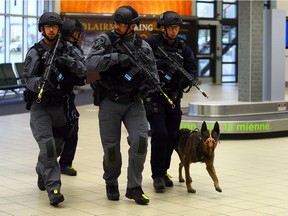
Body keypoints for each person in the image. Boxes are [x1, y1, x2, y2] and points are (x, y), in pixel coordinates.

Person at [85, 6, 159, 205]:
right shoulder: (106, 40)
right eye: (115, 23)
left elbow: (154, 75)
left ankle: (134, 187)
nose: (117, 26)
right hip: (110, 101)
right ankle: (111, 181)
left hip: (134, 103)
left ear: (132, 26)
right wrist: (115, 58)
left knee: (140, 142)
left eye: (122, 24)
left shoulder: (142, 46)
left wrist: (147, 87)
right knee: (111, 149)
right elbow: (90, 63)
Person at [23, 12, 87, 205]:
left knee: (57, 148)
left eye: (55, 27)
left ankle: (41, 170)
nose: (51, 30)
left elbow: (83, 70)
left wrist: (69, 62)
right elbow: (27, 79)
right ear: (42, 29)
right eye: (47, 27)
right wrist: (42, 83)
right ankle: (54, 188)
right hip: (40, 106)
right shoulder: (35, 52)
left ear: (59, 29)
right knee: (49, 147)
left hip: (62, 107)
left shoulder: (68, 49)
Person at [144, 11, 198, 192]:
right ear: (163, 28)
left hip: (173, 98)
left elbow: (192, 70)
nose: (174, 31)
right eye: (170, 27)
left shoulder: (183, 48)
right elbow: (141, 65)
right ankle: (157, 175)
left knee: (172, 135)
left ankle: (164, 171)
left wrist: (183, 80)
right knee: (160, 133)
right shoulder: (151, 44)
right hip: (154, 97)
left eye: (176, 27)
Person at [59, 18, 86, 176]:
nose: (79, 36)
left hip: (69, 96)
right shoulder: (65, 48)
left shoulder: (74, 48)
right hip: (57, 96)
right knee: (59, 132)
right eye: (76, 33)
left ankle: (65, 163)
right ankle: (58, 163)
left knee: (72, 129)